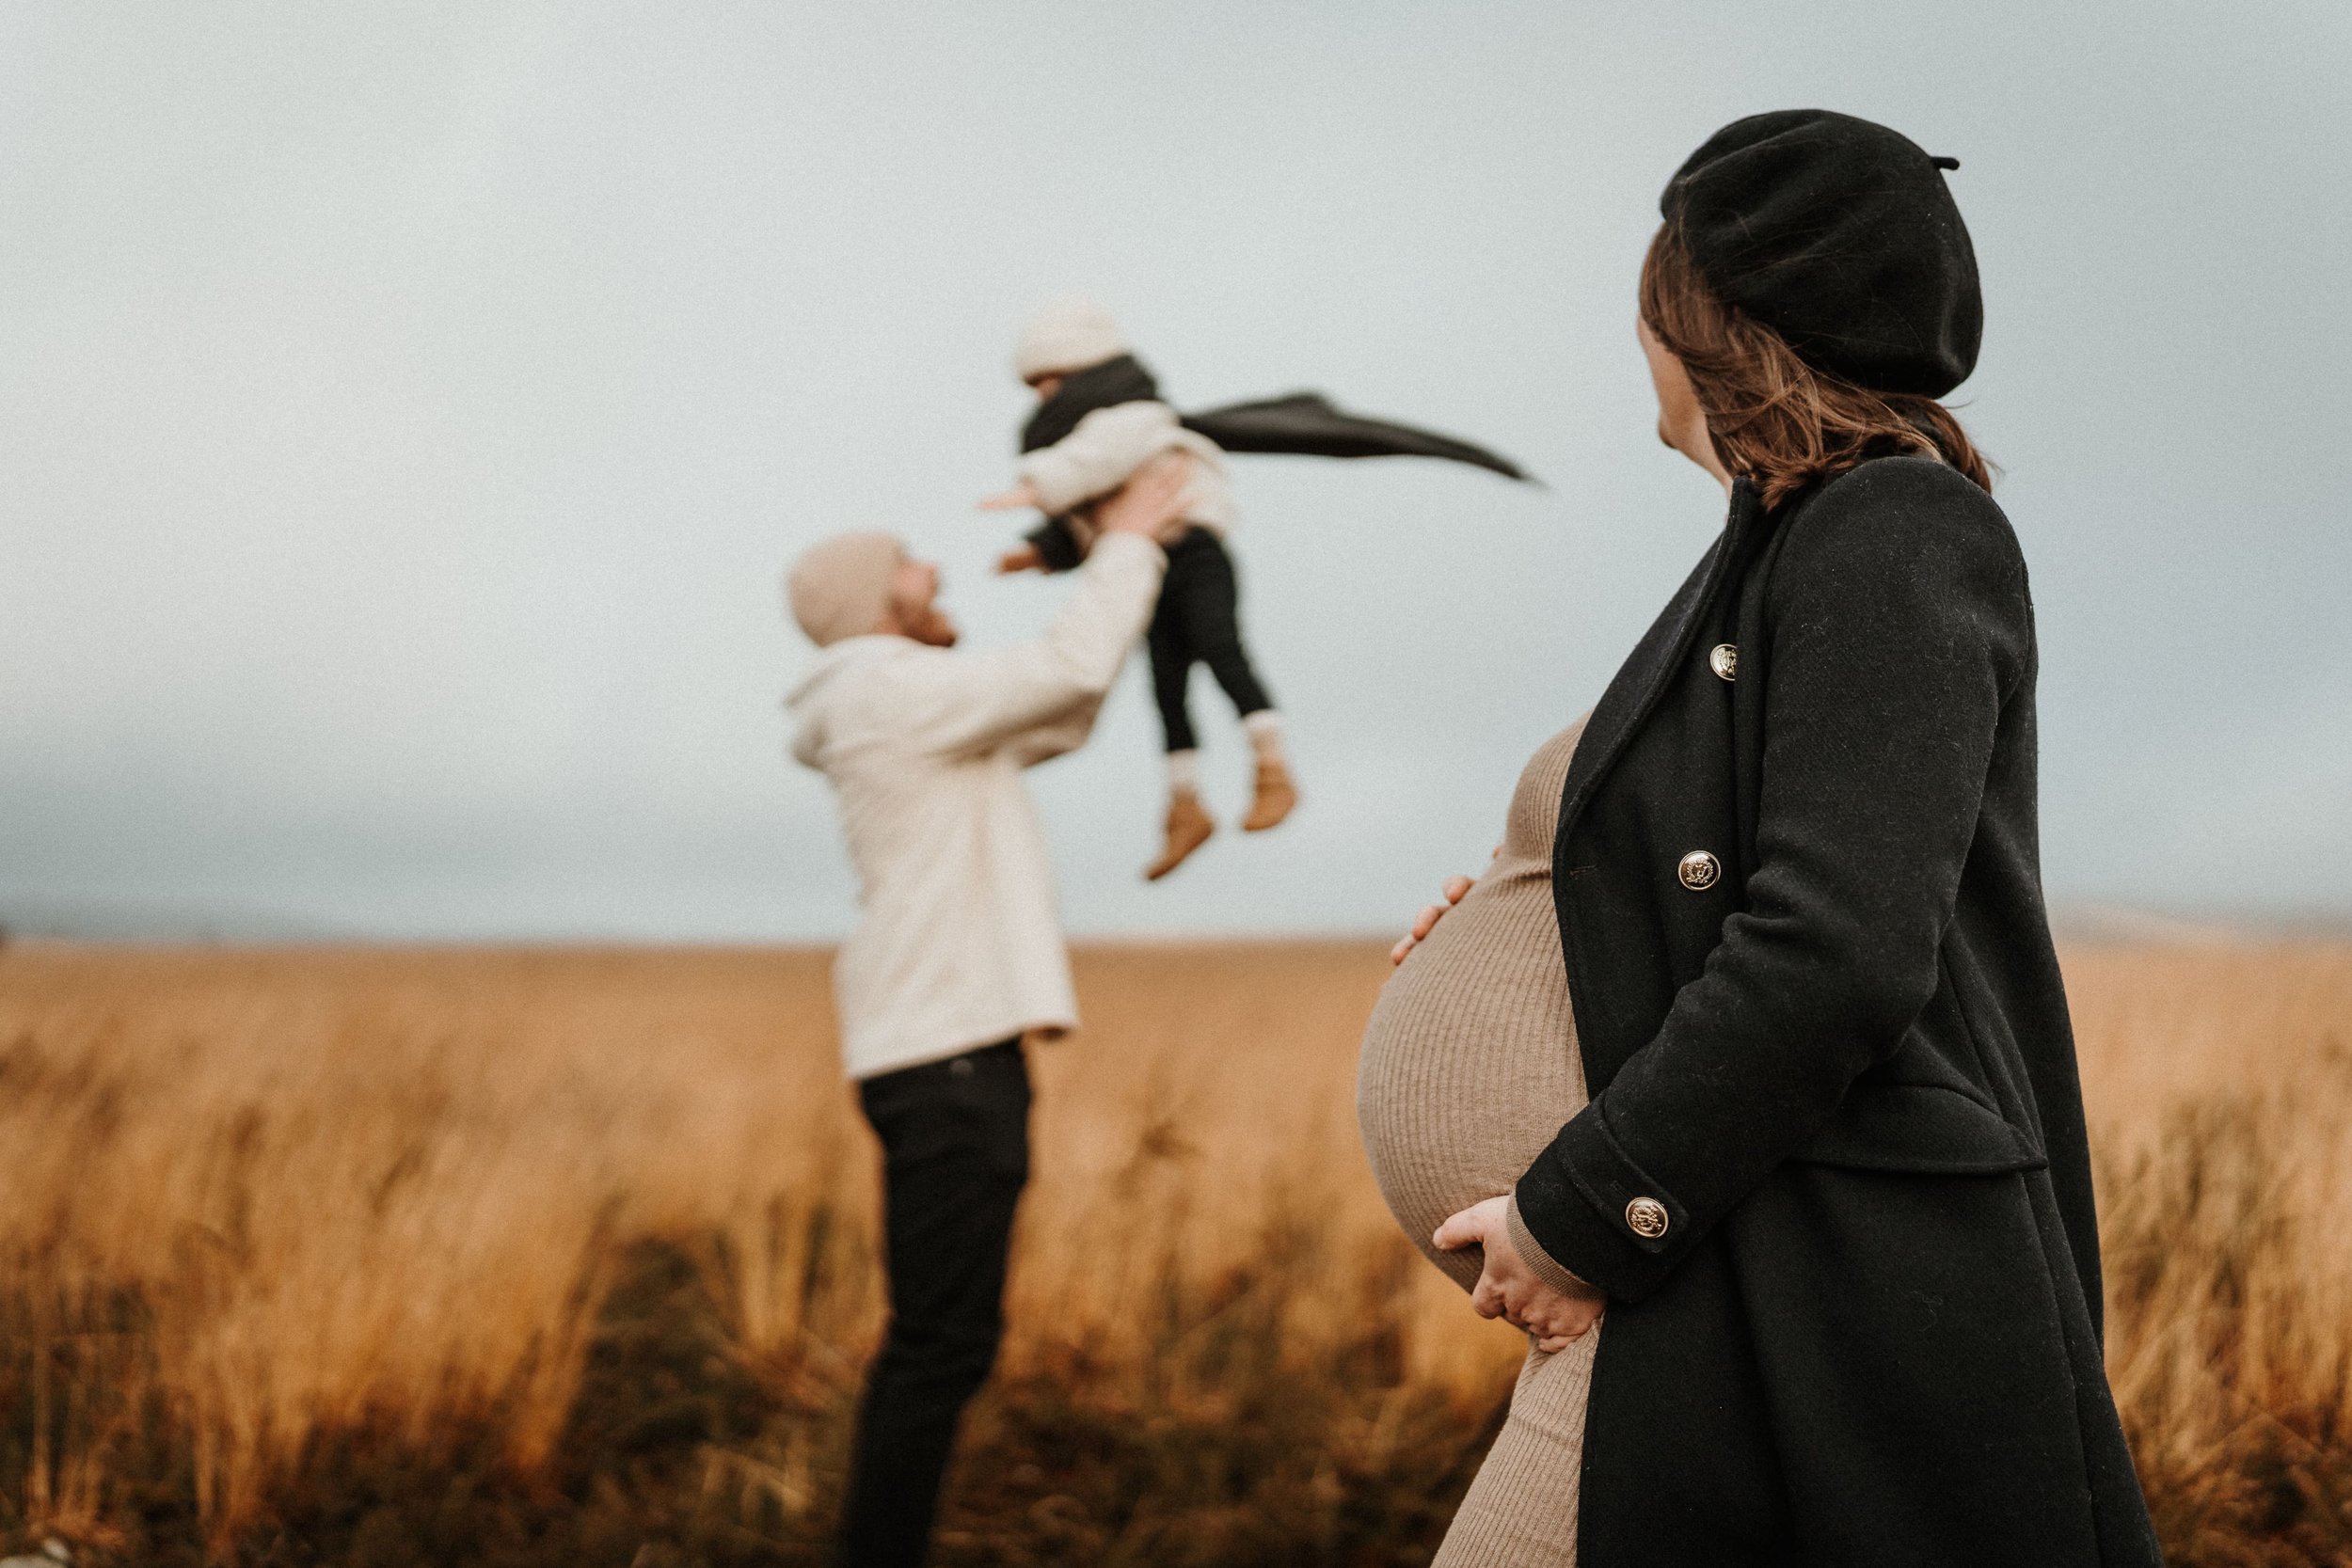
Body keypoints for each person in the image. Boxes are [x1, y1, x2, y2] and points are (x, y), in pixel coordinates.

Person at [1359, 110, 2164, 1566]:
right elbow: (1732, 866)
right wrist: (1544, 917)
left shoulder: (1894, 527)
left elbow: (1838, 946)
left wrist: (1581, 1216)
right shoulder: (1795, 538)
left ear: (1716, 323)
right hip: (1716, 1269)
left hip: (1772, 1271)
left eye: (1657, 301)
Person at [785, 456, 1191, 1568]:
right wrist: (1129, 537)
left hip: (944, 1052)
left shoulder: (902, 705)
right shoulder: (884, 688)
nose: (934, 572)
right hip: (948, 1054)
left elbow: (1065, 705)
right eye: (912, 564)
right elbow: (1067, 664)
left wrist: (1120, 565)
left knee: (941, 1340)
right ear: (876, 603)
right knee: (939, 1346)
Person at [984, 295, 1296, 880]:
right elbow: (1095, 512)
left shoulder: (1135, 419)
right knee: (1167, 685)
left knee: (1222, 651)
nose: (1043, 394)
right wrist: (1042, 550)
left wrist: (1038, 485)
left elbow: (1094, 461)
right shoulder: (1086, 436)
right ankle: (1185, 805)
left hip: (1192, 550)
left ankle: (1272, 769)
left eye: (1051, 378)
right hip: (1145, 561)